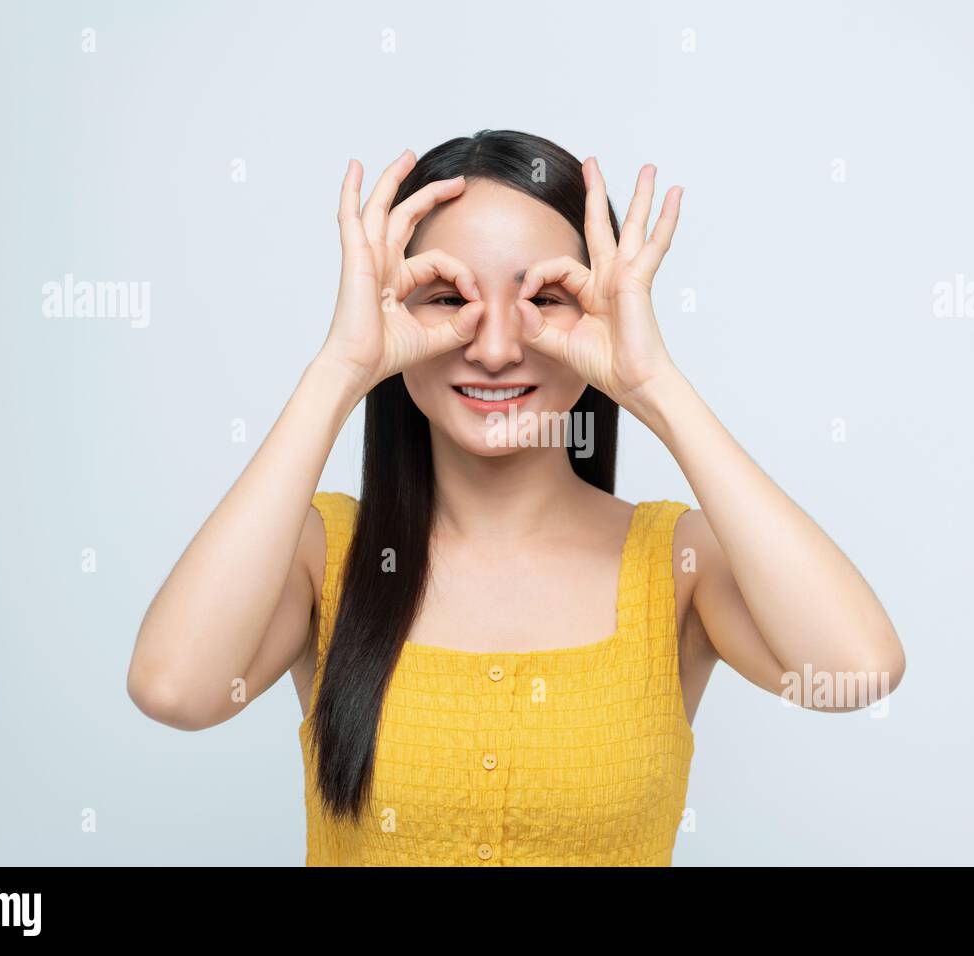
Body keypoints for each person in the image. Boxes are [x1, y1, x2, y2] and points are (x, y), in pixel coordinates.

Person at [127, 129, 905, 866]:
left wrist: (653, 384)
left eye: (542, 299)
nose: (495, 348)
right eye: (446, 298)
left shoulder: (679, 565)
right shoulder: (320, 553)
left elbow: (858, 669)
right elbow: (176, 690)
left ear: (596, 309)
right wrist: (342, 366)